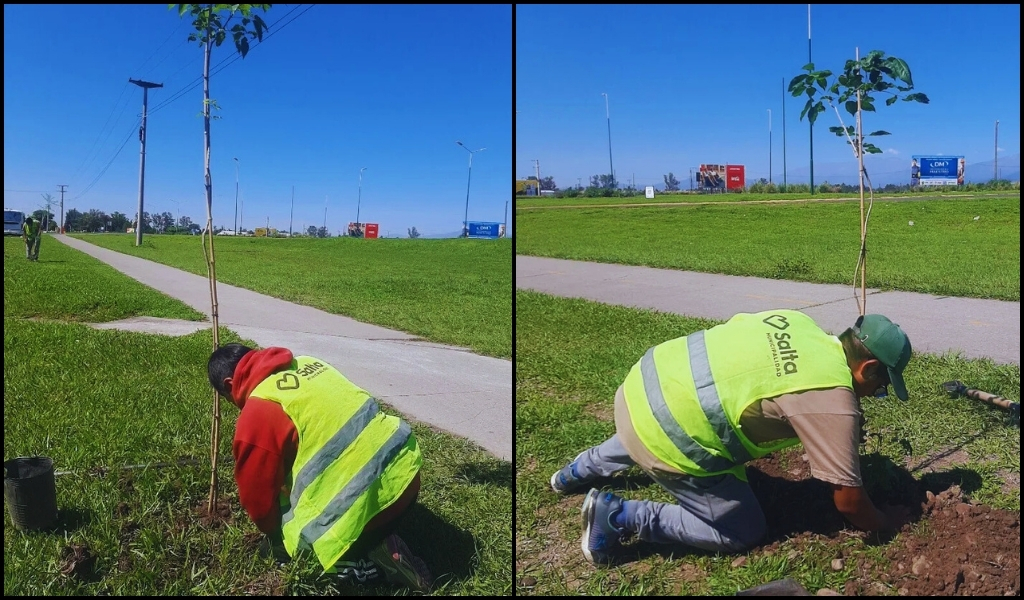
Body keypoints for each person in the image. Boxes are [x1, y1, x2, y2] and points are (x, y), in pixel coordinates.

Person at [549, 310, 914, 565]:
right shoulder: (834, 400)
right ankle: (618, 517)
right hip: (667, 433)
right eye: (881, 386)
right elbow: (850, 504)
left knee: (676, 412)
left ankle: (577, 470)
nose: (877, 393)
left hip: (641, 387)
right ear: (867, 369)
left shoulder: (796, 322)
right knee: (742, 530)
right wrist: (886, 522)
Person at [207, 343, 432, 590]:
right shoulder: (309, 364)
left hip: (368, 509)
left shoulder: (258, 410)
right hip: (406, 474)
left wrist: (276, 537)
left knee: (290, 552)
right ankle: (375, 539)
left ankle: (376, 565)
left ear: (229, 384)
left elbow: (258, 503)